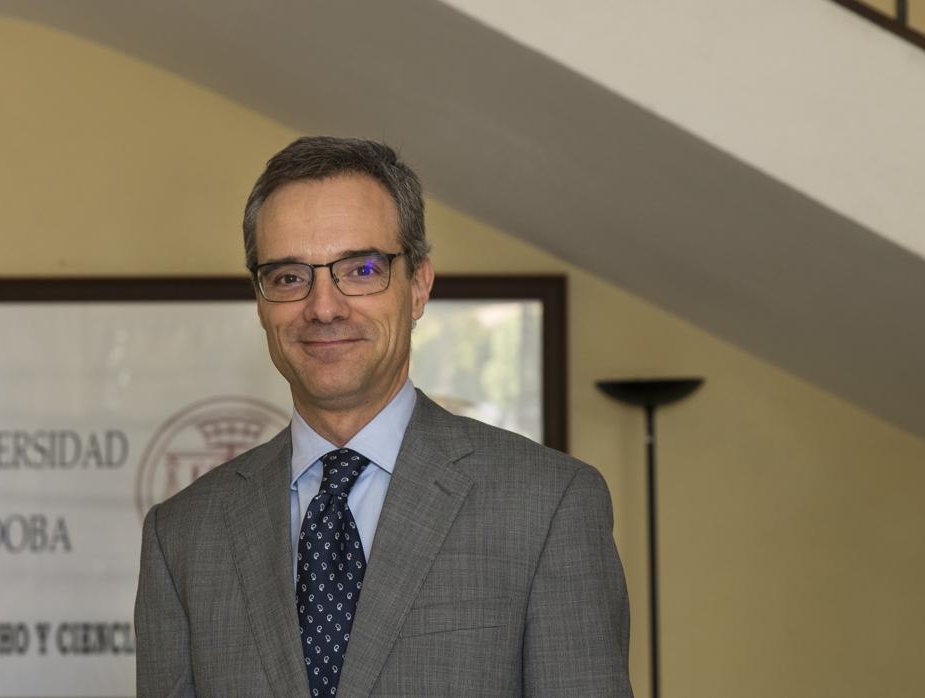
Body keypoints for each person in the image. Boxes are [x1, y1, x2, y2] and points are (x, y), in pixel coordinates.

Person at [135, 136, 633, 697]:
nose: (323, 307)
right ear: (260, 300)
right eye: (289, 277)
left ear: (418, 285)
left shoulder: (548, 507)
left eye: (362, 268)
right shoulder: (182, 537)